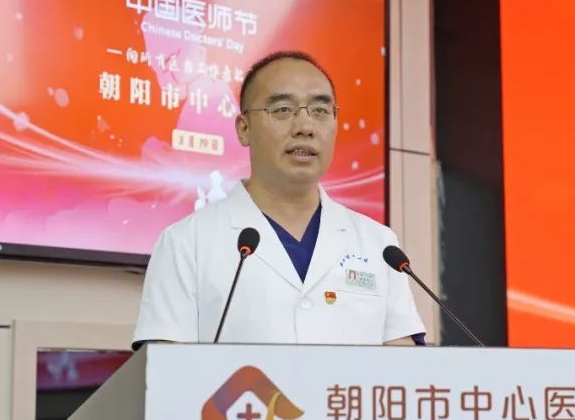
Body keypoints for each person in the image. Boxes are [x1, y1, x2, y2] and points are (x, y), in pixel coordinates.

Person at [133, 51, 426, 348]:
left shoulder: (380, 245)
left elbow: (405, 368)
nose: (305, 127)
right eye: (283, 110)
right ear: (244, 129)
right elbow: (164, 368)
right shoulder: (185, 243)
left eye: (320, 111)